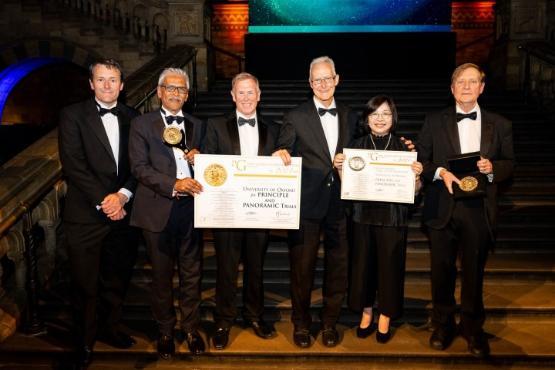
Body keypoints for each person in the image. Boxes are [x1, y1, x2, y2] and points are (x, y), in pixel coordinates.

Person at [417, 63, 514, 358]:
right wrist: (440, 173)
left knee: (474, 272)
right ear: (452, 87)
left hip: (478, 208)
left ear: (482, 87)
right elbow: (422, 160)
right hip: (442, 206)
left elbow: (510, 164)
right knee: (441, 271)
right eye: (461, 82)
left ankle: (473, 329)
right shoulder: (434, 121)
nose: (467, 87)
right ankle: (443, 324)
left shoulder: (501, 124)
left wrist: (492, 168)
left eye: (473, 82)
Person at [58, 58, 139, 368]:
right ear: (91, 84)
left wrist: (122, 196)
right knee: (84, 284)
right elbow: (73, 164)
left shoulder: (134, 117)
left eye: (113, 79)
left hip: (124, 213)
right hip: (86, 217)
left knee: (116, 280)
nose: (107, 85)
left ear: (122, 84)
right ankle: (83, 343)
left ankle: (110, 328)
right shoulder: (72, 115)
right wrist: (106, 201)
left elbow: (139, 165)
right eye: (101, 79)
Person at [273, 56, 358, 348]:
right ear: (310, 83)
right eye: (316, 79)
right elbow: (283, 148)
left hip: (341, 204)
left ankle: (330, 322)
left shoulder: (351, 115)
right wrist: (279, 154)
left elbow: (363, 154)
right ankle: (301, 323)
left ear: (337, 79)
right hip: (305, 205)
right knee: (302, 268)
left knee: (338, 267)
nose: (323, 84)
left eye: (327, 78)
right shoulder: (295, 116)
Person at [128, 67, 205, 359]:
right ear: (159, 92)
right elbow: (139, 168)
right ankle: (164, 330)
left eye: (182, 89)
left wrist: (201, 161)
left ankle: (191, 329)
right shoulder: (142, 124)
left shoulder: (198, 124)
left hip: (192, 209)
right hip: (157, 208)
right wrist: (174, 184)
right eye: (171, 88)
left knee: (192, 274)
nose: (176, 93)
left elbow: (213, 169)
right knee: (160, 276)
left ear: (187, 94)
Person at [333, 95, 422, 344]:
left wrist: (416, 177)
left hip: (393, 218)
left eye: (385, 114)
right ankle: (366, 311)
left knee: (390, 267)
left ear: (393, 118)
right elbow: (347, 188)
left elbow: (415, 193)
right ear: (367, 118)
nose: (380, 119)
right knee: (361, 266)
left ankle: (385, 314)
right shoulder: (356, 145)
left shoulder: (406, 149)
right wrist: (340, 169)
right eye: (375, 114)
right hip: (362, 217)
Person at [203, 72, 280, 349]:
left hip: (260, 212)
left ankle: (254, 315)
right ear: (233, 96)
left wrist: (282, 156)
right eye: (241, 92)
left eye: (251, 92)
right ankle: (223, 319)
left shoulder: (273, 129)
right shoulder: (215, 125)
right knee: (226, 267)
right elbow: (209, 166)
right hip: (227, 212)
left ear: (259, 96)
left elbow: (283, 165)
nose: (246, 97)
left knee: (256, 267)